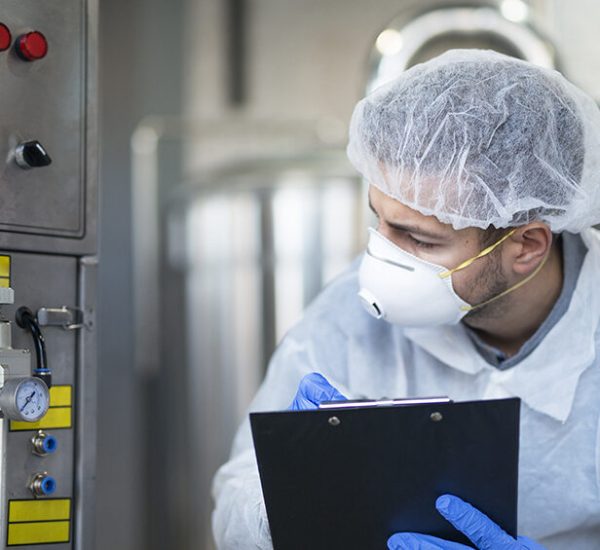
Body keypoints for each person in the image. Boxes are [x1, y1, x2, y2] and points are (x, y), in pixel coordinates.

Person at [211, 49, 600, 549]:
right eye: (379, 221)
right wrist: (289, 494)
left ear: (526, 245)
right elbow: (233, 501)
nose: (382, 261)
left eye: (420, 239)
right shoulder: (348, 317)